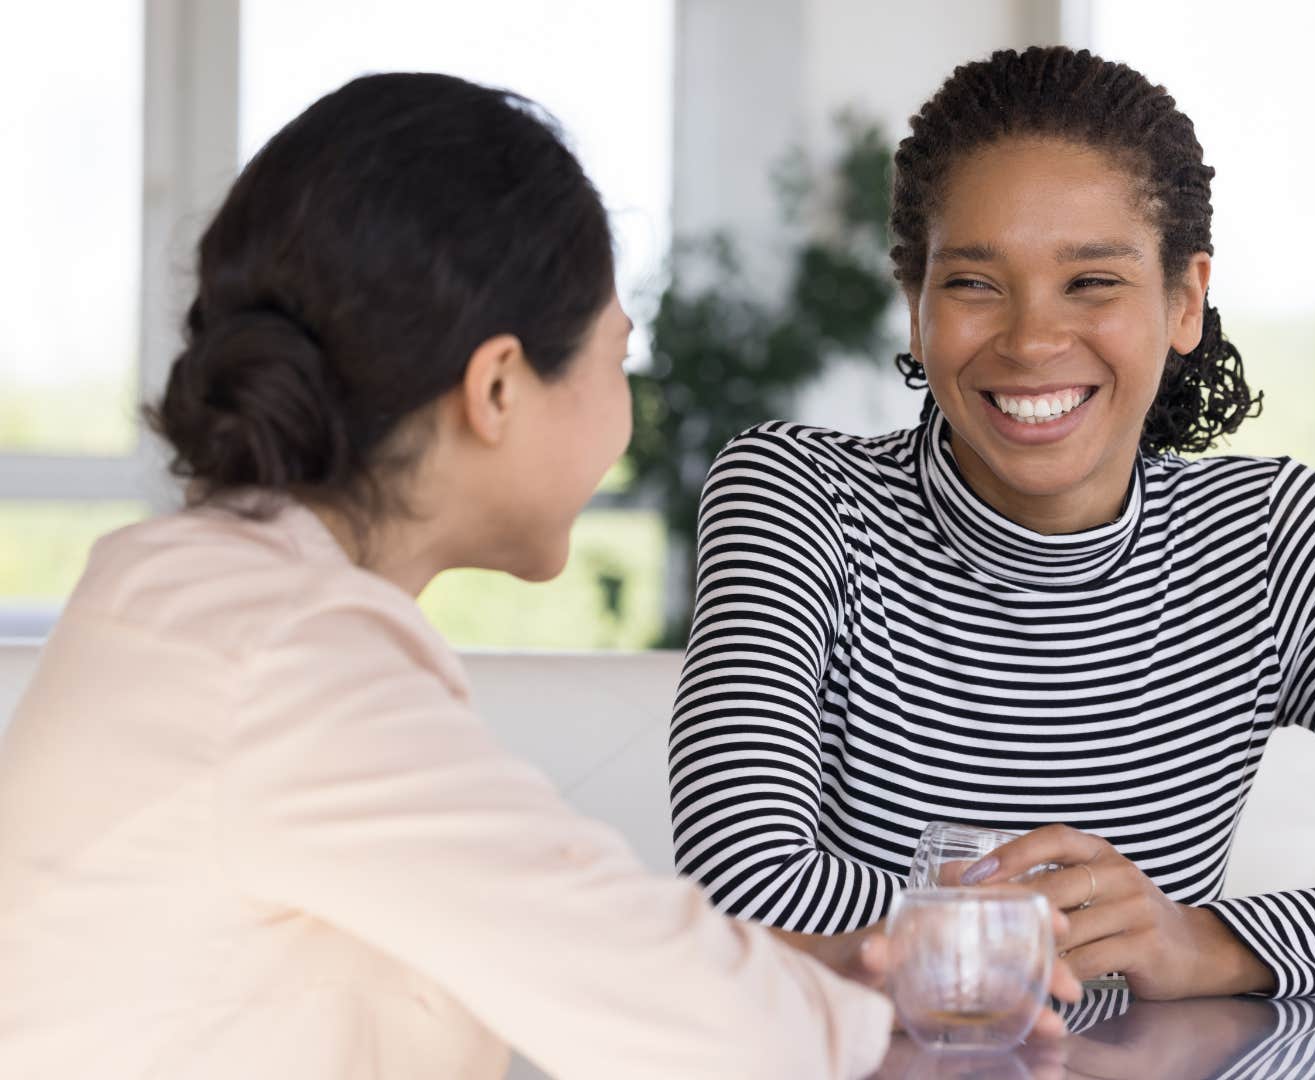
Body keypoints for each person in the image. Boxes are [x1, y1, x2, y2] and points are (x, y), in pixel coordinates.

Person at [0, 73, 922, 1079]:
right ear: (495, 388)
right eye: (619, 362)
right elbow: (693, 1019)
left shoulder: (199, 599)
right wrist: (905, 1017)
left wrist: (818, 974)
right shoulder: (289, 656)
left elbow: (565, 943)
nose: (629, 415)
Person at [668, 46, 1315, 1002]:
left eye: (1091, 282)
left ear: (1184, 300)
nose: (1033, 338)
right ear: (916, 309)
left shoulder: (1271, 539)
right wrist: (1094, 939)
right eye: (972, 282)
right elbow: (744, 892)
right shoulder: (795, 498)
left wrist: (1204, 944)